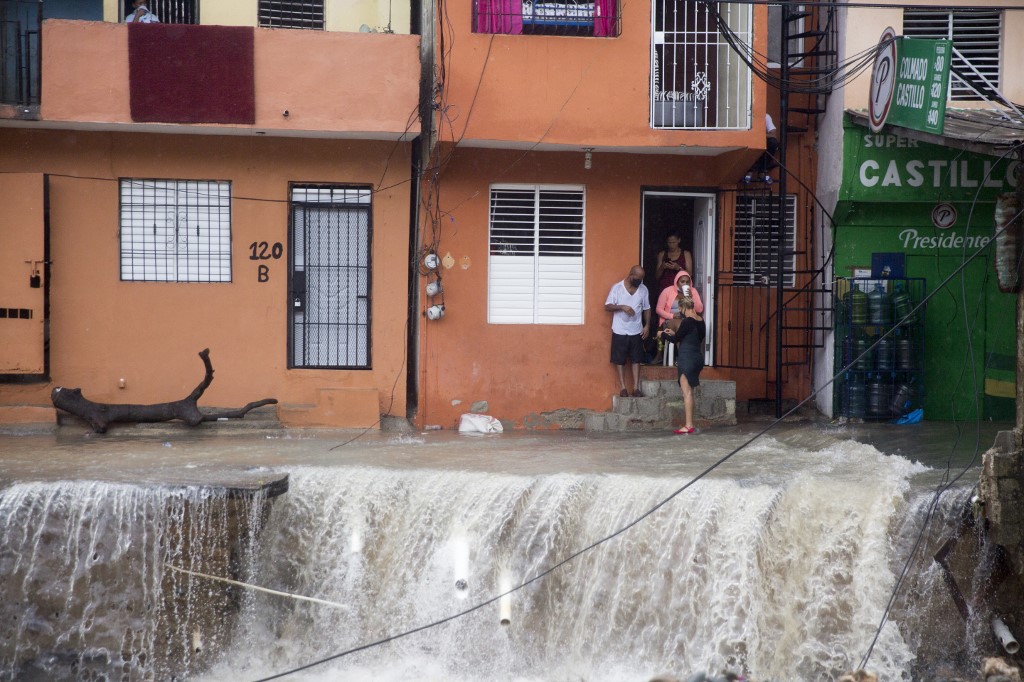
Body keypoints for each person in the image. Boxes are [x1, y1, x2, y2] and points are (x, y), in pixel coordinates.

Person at [660, 293, 705, 434]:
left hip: (687, 358)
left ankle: (688, 425)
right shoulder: (700, 320)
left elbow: (675, 340)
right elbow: (688, 336)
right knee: (690, 392)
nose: (680, 313)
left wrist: (662, 334)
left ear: (682, 307)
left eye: (680, 310)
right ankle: (690, 423)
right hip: (697, 357)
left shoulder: (687, 321)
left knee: (687, 393)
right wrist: (673, 333)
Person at [604, 265, 651, 398]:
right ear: (631, 275)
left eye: (642, 279)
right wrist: (622, 307)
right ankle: (623, 388)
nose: (640, 281)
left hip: (636, 330)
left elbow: (647, 308)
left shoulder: (643, 289)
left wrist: (647, 325)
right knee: (620, 360)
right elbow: (607, 306)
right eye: (637, 279)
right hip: (619, 330)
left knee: (636, 359)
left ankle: (636, 388)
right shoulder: (617, 288)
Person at [655, 269, 704, 333]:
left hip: (687, 320)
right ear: (677, 282)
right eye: (682, 282)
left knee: (695, 325)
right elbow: (658, 310)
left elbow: (699, 309)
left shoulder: (693, 291)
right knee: (680, 325)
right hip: (670, 320)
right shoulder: (667, 291)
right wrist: (672, 316)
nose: (685, 284)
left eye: (687, 282)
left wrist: (691, 297)